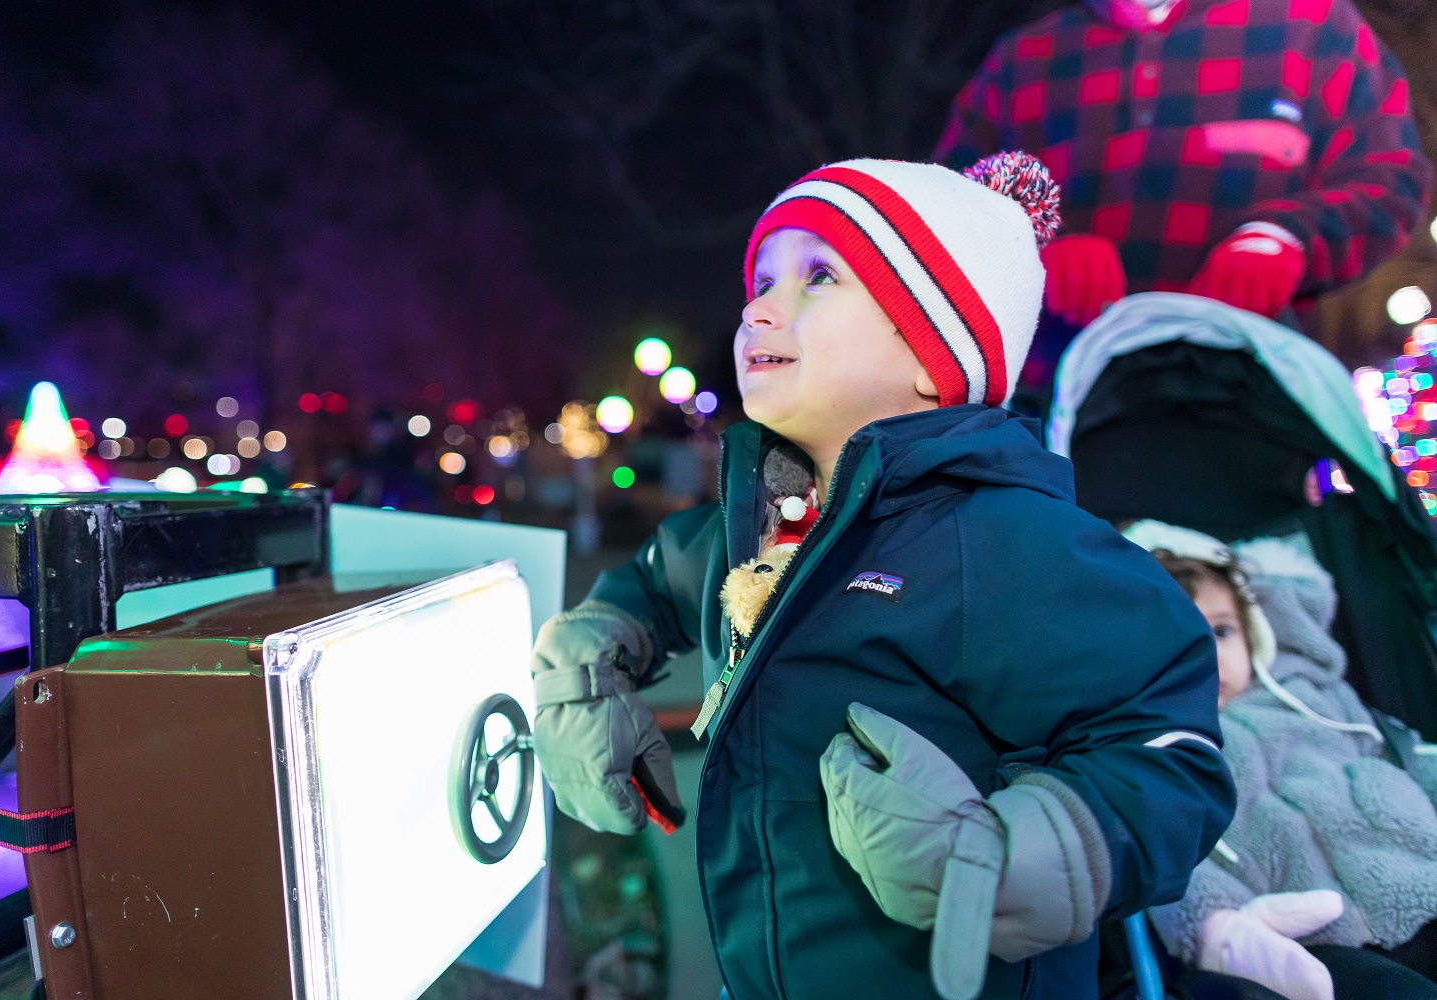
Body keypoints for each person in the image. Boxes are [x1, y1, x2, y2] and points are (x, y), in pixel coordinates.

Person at [529, 153, 1235, 1000]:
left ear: (933, 353)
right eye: (762, 276)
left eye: (818, 275)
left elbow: (1168, 745)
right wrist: (591, 660)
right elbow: (654, 578)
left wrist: (1007, 860)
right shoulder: (754, 526)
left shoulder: (1003, 541)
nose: (758, 305)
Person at [935, 0, 1432, 400]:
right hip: (1053, 410)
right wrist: (1033, 246)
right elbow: (951, 199)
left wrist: (1283, 239)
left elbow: (1390, 177)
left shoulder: (1311, 26)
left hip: (1247, 400)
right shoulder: (1025, 59)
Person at [1123, 519, 1437, 1000]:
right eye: (1181, 644)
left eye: (1222, 631)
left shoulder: (1312, 696)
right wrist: (1222, 934)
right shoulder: (1161, 749)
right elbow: (1173, 867)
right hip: (1308, 936)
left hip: (1414, 880)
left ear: (1253, 631)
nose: (1208, 657)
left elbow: (1403, 756)